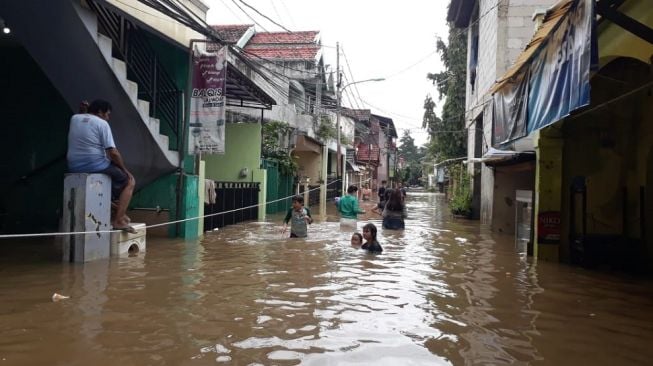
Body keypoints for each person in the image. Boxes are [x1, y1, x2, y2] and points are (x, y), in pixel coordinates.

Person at [67, 99, 136, 233]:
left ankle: (117, 210)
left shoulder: (74, 118)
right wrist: (125, 170)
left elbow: (84, 119)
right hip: (95, 164)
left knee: (105, 190)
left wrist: (84, 111)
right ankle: (119, 220)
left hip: (73, 165)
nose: (108, 117)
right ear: (100, 112)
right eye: (107, 114)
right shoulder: (102, 124)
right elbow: (113, 153)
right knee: (129, 182)